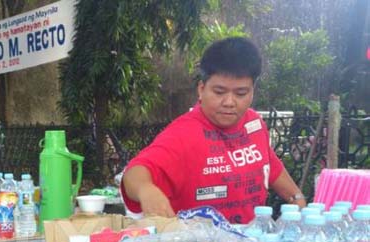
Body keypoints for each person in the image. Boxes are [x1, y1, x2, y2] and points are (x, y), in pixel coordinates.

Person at [121, 37, 306, 224]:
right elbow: (135, 173)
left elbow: (269, 164)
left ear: (252, 91)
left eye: (241, 93)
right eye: (219, 92)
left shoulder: (254, 123)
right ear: (201, 89)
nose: (229, 102)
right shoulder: (183, 134)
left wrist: (296, 197)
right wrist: (146, 190)